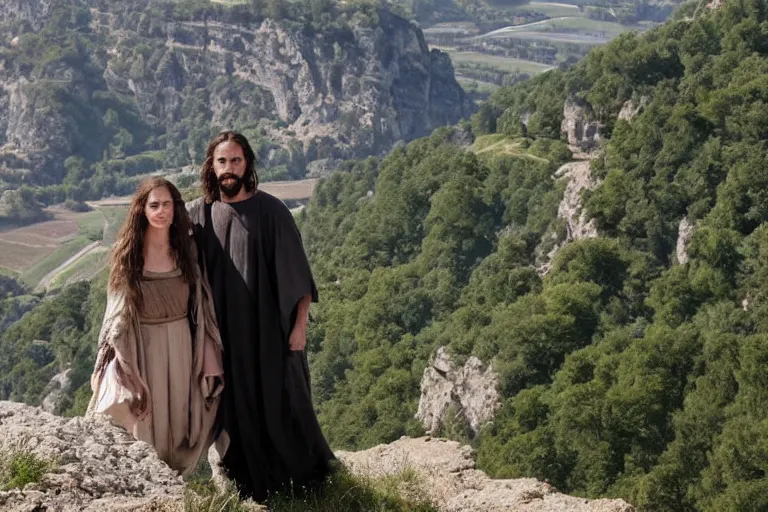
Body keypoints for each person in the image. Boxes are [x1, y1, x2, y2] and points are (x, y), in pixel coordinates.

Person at [187, 131, 334, 501]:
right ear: (211, 166)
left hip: (271, 335)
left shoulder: (271, 212)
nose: (229, 168)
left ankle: (304, 483)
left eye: (236, 160)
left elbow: (300, 281)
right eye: (222, 161)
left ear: (247, 163)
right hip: (224, 338)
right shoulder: (199, 214)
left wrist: (299, 329)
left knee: (284, 403)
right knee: (235, 411)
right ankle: (248, 486)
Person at [87, 177, 224, 477]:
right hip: (143, 346)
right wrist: (115, 357)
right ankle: (148, 482)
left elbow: (201, 301)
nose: (161, 211)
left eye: (167, 204)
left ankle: (176, 484)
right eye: (154, 205)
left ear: (176, 209)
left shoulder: (187, 250)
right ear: (142, 210)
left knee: (179, 417)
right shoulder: (129, 256)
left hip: (181, 344)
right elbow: (117, 311)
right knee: (148, 417)